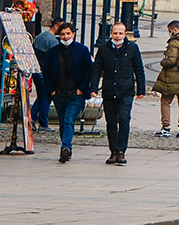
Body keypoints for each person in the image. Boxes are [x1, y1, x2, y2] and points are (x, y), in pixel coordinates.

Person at [93, 21, 148, 165]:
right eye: (115, 33)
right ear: (111, 34)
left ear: (125, 34)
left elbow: (139, 69)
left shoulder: (132, 48)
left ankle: (121, 151)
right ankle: (113, 151)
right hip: (109, 90)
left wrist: (141, 89)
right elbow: (97, 69)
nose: (117, 36)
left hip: (126, 90)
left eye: (120, 33)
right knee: (111, 122)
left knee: (124, 118)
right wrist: (93, 88)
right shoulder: (104, 49)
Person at [39, 21, 94, 163]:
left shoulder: (82, 50)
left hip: (76, 93)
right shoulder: (54, 52)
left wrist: (82, 89)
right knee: (63, 122)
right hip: (59, 93)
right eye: (63, 34)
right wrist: (51, 90)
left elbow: (89, 70)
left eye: (68, 33)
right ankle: (66, 148)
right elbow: (46, 71)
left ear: (73, 34)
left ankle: (66, 147)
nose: (65, 36)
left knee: (69, 119)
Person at [30, 20, 59, 130]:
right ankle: (43, 123)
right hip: (44, 73)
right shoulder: (53, 41)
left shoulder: (40, 36)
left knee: (41, 97)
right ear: (56, 26)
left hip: (36, 71)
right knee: (46, 98)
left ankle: (31, 118)